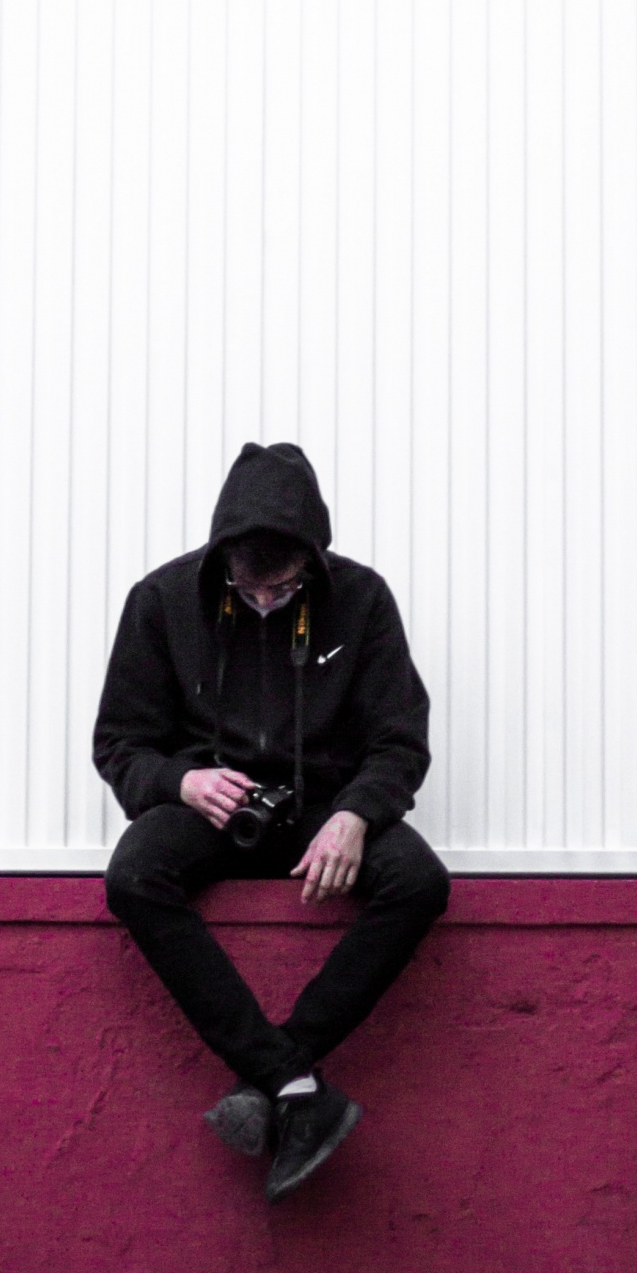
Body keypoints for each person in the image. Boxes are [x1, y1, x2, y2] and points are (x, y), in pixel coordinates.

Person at [94, 440, 449, 1204]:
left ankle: (279, 1078)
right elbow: (119, 745)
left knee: (418, 881)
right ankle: (293, 1080)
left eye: (283, 588)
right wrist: (180, 781)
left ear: (312, 563)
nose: (264, 601)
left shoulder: (362, 599)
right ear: (223, 560)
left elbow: (399, 740)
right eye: (249, 587)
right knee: (133, 875)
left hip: (323, 802)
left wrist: (357, 813)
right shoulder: (161, 601)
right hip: (210, 805)